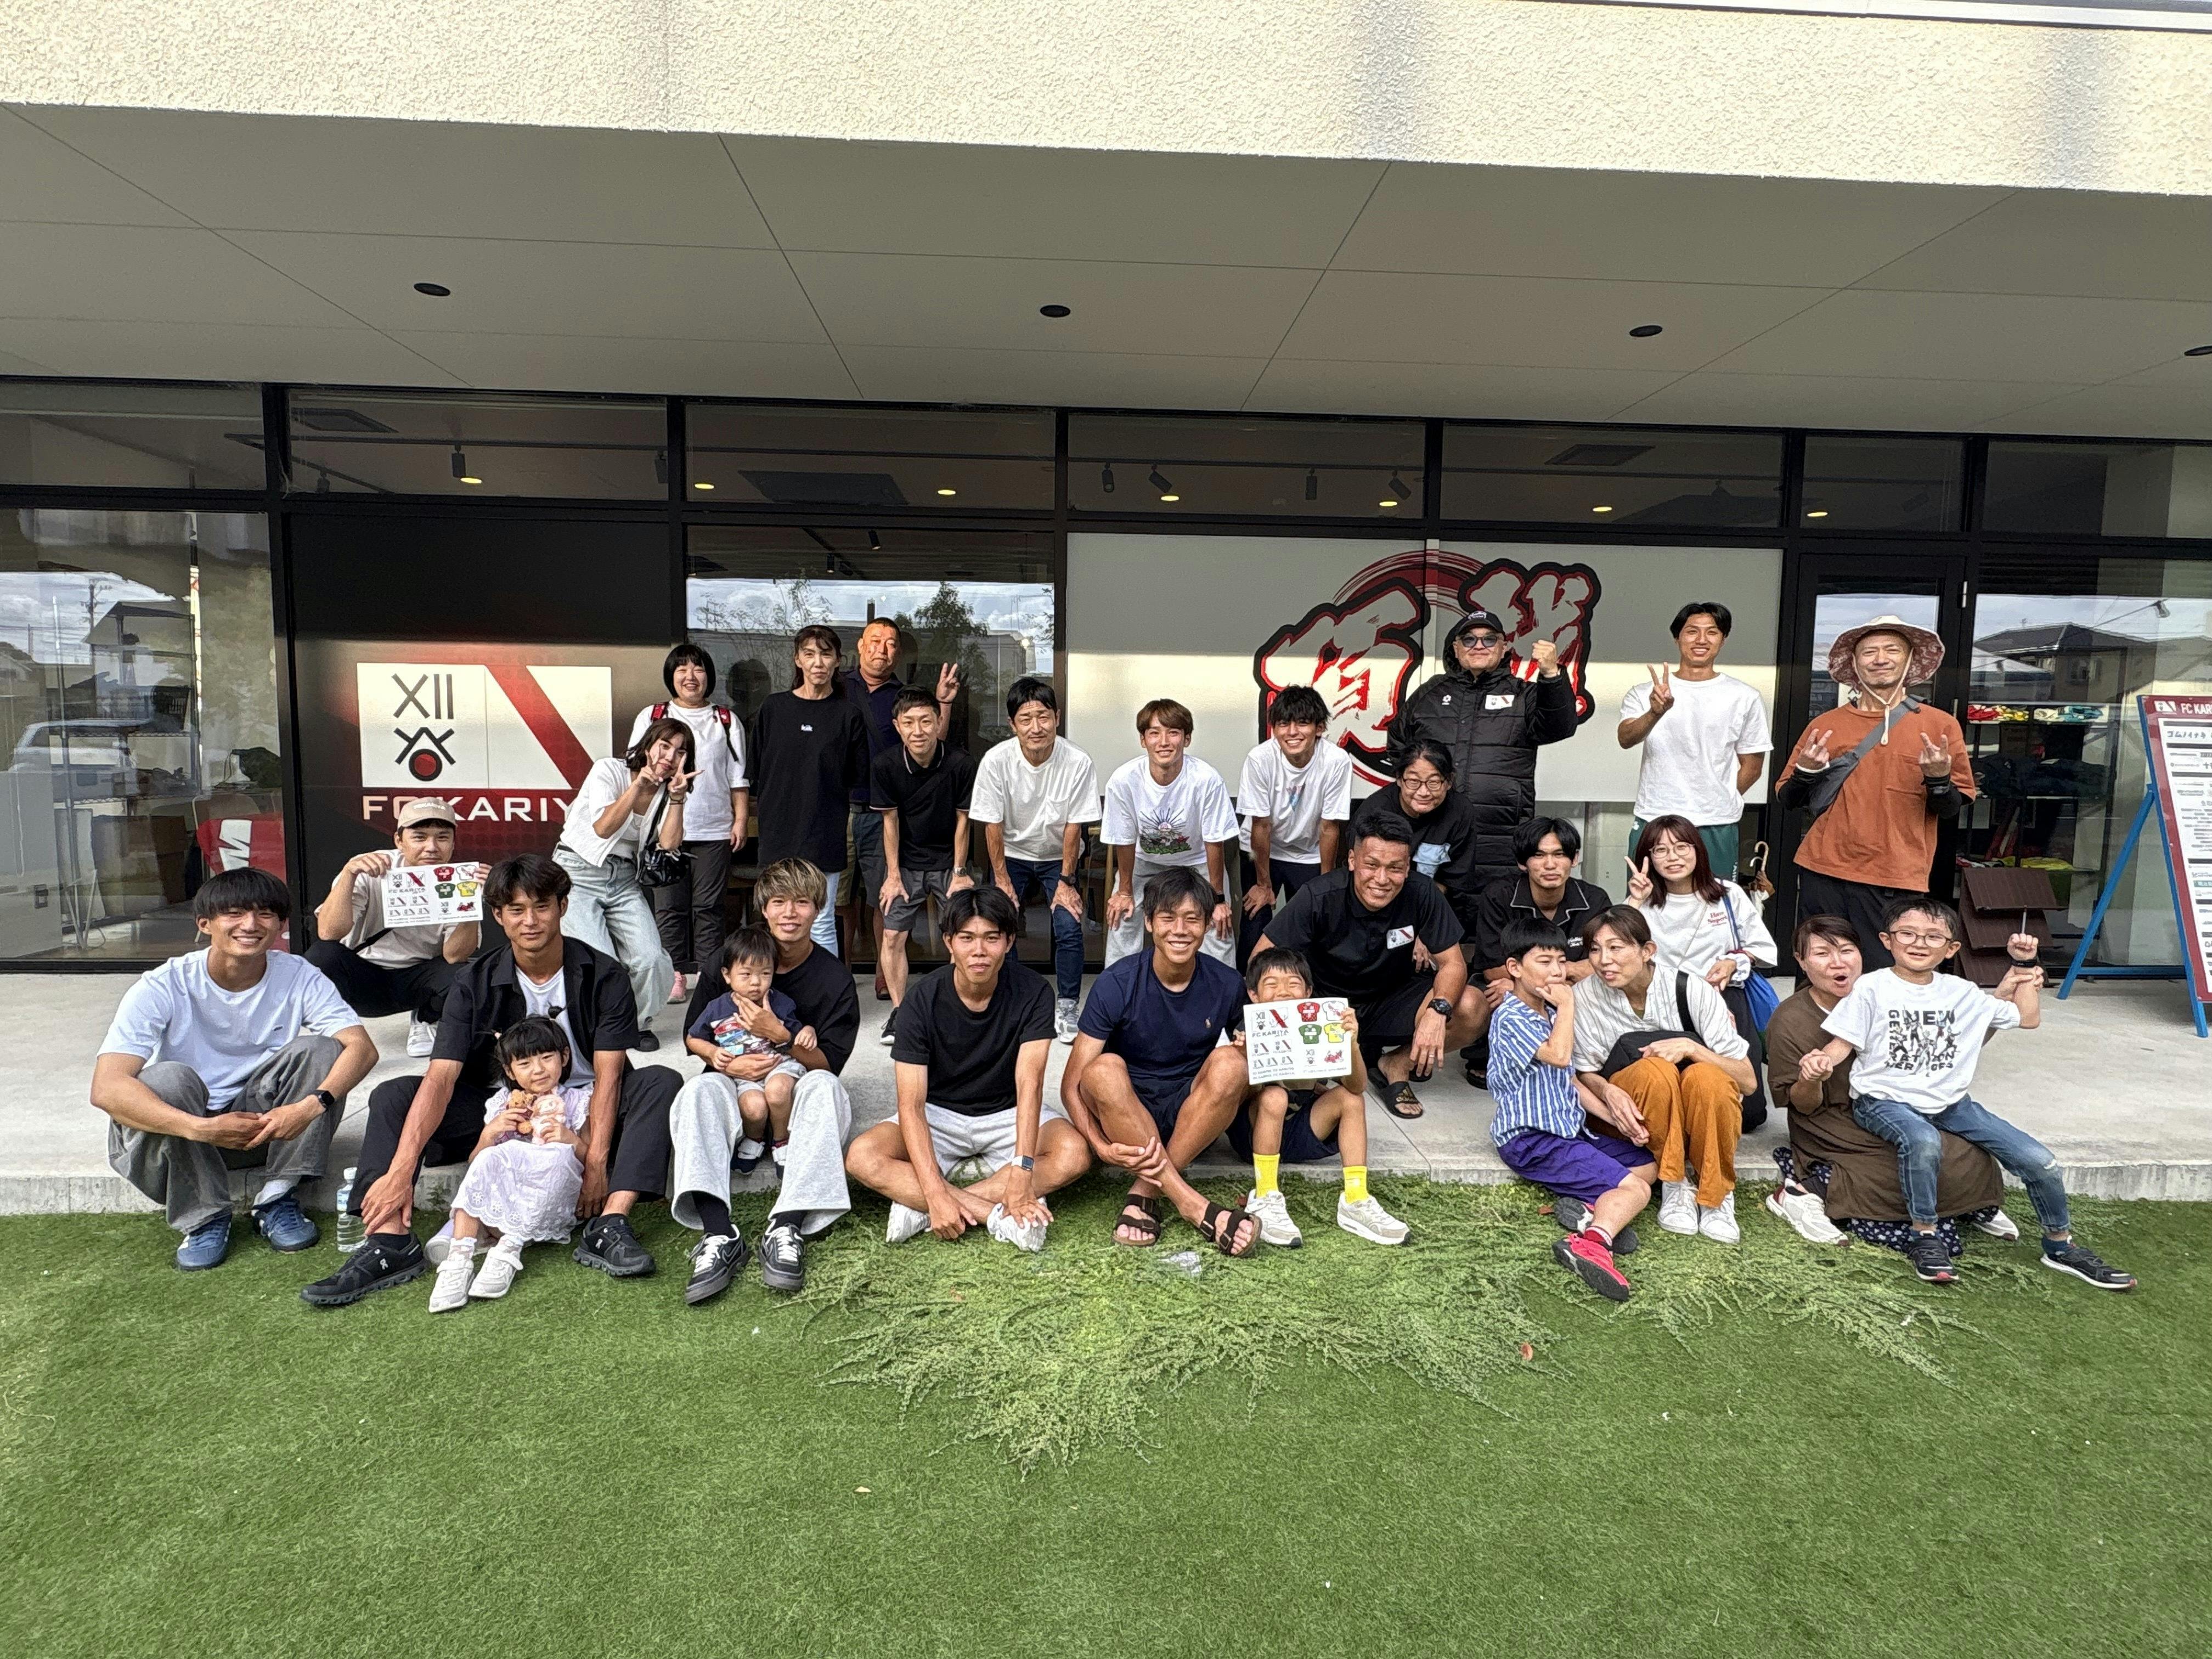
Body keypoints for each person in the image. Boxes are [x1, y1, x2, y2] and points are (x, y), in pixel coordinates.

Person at [302, 854, 685, 1307]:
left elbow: (610, 1073)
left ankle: (610, 1224)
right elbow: (441, 1077)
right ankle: (389, 1241)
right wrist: (402, 1171)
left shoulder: (603, 973)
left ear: (563, 907)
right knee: (394, 1094)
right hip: (502, 1112)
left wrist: (597, 1161)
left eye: (542, 906)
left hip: (587, 1108)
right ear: (499, 916)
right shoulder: (474, 982)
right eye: (516, 910)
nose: (530, 921)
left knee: (660, 1081)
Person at [1798, 898, 2134, 1290]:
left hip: (1952, 1104)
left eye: (1933, 937)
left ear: (1952, 948)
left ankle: (2060, 1245)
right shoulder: (1871, 988)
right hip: (1882, 1101)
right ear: (1887, 940)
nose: (1919, 943)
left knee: (2039, 1160)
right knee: (1922, 1140)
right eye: (1908, 934)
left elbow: (2027, 1018)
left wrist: (2025, 966)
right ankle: (1925, 1236)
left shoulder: (1962, 992)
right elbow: (1842, 1043)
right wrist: (1821, 1061)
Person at [91, 867, 377, 1271]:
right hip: (185, 1138)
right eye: (235, 913)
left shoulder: (298, 975)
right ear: (204, 924)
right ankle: (204, 1218)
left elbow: (362, 1049)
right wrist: (200, 1128)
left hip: (264, 1131)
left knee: (322, 1049)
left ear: (281, 925)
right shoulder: (163, 984)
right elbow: (106, 1088)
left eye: (265, 914)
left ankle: (278, 1196)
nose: (250, 925)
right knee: (166, 1079)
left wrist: (308, 1107)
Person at [847, 885, 1092, 1251]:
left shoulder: (1034, 992)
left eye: (992, 938)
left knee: (1074, 1153)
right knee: (862, 1156)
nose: (979, 951)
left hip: (1008, 1111)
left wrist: (1023, 1169)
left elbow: (1030, 1085)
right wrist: (934, 1192)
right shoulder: (921, 1000)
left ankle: (923, 1208)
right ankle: (992, 1215)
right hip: (938, 1114)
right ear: (949, 942)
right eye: (967, 938)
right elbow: (911, 1105)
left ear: (1009, 942)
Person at [668, 857, 864, 1302]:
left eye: (802, 902)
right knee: (696, 1091)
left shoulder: (834, 978)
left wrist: (781, 1035)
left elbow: (827, 1064)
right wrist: (727, 1063)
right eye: (779, 902)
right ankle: (719, 1233)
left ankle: (786, 1225)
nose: (789, 913)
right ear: (764, 908)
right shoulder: (731, 956)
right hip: (733, 1082)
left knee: (827, 1089)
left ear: (818, 909)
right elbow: (693, 1036)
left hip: (795, 1088)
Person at [1762, 915, 2007, 1255]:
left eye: (1846, 951)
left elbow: (1953, 1047)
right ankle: (1805, 1194)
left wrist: (1997, 1005)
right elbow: (1802, 1105)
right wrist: (1811, 1079)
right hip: (1832, 1118)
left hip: (1898, 1106)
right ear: (1802, 962)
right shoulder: (1790, 1019)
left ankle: (1968, 1206)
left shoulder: (1889, 995)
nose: (1837, 963)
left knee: (1966, 1150)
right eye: (1822, 954)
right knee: (1891, 1164)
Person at [1063, 867, 1260, 1255]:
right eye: (1168, 918)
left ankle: (1146, 1191)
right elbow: (1071, 1086)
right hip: (1125, 1113)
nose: (1180, 930)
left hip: (1190, 1114)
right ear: (1150, 922)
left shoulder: (1227, 983)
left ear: (1208, 925)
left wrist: (1250, 1046)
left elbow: (1259, 1063)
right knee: (1101, 1070)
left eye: (1192, 919)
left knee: (1234, 1063)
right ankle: (1193, 1205)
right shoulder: (1117, 982)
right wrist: (1099, 1145)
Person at [1254, 813, 1489, 1122]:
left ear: (1408, 867)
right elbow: (1261, 960)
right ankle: (1326, 1065)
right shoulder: (1319, 895)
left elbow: (1453, 964)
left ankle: (1396, 1064)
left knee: (1472, 1005)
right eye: (1372, 865)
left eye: (1395, 868)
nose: (1381, 879)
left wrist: (1438, 1011)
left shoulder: (1422, 893)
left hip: (1392, 1000)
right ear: (1352, 860)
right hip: (1328, 1005)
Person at [1776, 614, 1974, 969]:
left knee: (1885, 975)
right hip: (1824, 869)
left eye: (1892, 650)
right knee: (1821, 969)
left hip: (1896, 875)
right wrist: (1806, 773)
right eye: (1869, 652)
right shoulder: (1826, 725)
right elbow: (1789, 800)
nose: (1880, 659)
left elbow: (1950, 809)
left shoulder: (1939, 725)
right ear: (1854, 663)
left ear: (1910, 660)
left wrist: (1939, 780)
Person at [1485, 917, 1656, 1302]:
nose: (1557, 972)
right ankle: (1591, 1244)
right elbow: (1559, 1057)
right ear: (1514, 968)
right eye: (1544, 962)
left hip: (1569, 1133)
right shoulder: (1511, 1016)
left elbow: (1572, 1082)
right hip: (1533, 1141)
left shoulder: (1548, 1013)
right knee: (1637, 1190)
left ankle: (1589, 1211)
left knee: (1647, 1166)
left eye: (1562, 962)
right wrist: (1567, 1005)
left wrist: (1618, 1121)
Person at [1570, 906, 1755, 1244]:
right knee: (1655, 1070)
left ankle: (1715, 1195)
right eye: (1595, 950)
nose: (1604, 960)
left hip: (1692, 1112)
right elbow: (1585, 1072)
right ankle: (1675, 1183)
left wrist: (1691, 1048)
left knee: (1709, 1079)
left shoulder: (1692, 989)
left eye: (1616, 948)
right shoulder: (1584, 996)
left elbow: (1748, 1080)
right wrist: (1608, 1091)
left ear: (1648, 951)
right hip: (1634, 1114)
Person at [1384, 606, 1578, 896]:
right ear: (1456, 648)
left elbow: (1561, 727)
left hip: (1502, 836)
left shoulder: (1523, 694)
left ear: (1503, 647)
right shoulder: (1430, 693)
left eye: (1489, 639)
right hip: (1434, 832)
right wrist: (1417, 799)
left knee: (1497, 915)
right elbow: (1399, 746)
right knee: (1432, 913)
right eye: (1469, 639)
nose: (1479, 646)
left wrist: (1551, 674)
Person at [1228, 946, 1409, 1248]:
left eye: (1294, 984)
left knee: (1350, 1099)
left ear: (1309, 992)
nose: (1284, 992)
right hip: (1254, 1133)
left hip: (1299, 1130)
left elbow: (1357, 1086)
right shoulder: (1249, 1029)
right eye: (1271, 985)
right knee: (1274, 1096)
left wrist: (1351, 1043)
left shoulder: (1321, 1025)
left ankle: (1356, 1198)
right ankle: (1265, 1194)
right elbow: (1239, 1095)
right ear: (1254, 995)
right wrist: (1244, 1056)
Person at [424, 1017, 592, 1312]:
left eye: (547, 1058)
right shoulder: (502, 1103)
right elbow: (476, 1163)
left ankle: (506, 1252)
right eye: (525, 1063)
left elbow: (589, 1158)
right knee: (493, 1155)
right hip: (504, 1208)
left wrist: (570, 1139)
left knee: (557, 1154)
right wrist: (490, 1133)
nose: (538, 1069)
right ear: (509, 1071)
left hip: (545, 1207)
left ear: (564, 1057)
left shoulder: (579, 1100)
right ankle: (458, 1259)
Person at [971, 675, 1101, 1045]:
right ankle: (1012, 1002)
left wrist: (1067, 881)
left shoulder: (1077, 761)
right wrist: (1001, 881)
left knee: (1068, 924)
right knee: (1002, 922)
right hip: (1011, 854)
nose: (1036, 727)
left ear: (1057, 717)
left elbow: (1075, 826)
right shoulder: (997, 761)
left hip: (1058, 856)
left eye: (1044, 717)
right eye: (1026, 719)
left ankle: (1068, 1005)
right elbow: (992, 825)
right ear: (1012, 724)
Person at [1627, 812, 1777, 1126]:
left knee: (1750, 1115)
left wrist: (1734, 962)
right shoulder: (1643, 903)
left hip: (1724, 999)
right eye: (1661, 850)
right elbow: (1616, 951)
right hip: (1668, 1005)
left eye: (1682, 847)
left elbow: (1763, 949)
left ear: (1698, 850)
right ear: (1648, 858)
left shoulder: (1728, 894)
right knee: (1679, 1099)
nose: (1673, 857)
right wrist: (1635, 901)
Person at [307, 795, 481, 1059]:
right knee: (322, 956)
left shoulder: (459, 880)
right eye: (420, 837)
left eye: (442, 838)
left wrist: (470, 906)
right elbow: (329, 933)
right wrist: (349, 875)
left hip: (418, 980)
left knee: (468, 973)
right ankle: (334, 1028)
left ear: (453, 843)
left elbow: (455, 956)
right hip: (364, 976)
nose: (432, 847)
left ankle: (427, 1018)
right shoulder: (371, 868)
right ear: (399, 841)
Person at [554, 715, 692, 1043]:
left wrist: (677, 798)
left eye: (680, 751)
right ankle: (600, 1026)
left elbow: (669, 844)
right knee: (601, 960)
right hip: (577, 872)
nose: (670, 757)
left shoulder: (669, 790)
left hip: (624, 878)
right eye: (665, 746)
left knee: (651, 959)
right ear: (648, 745)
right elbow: (603, 828)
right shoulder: (608, 769)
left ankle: (636, 1024)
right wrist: (638, 786)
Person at [627, 641, 749, 1008]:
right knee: (669, 908)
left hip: (713, 828)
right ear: (671, 676)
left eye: (698, 669)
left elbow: (738, 777)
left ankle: (710, 977)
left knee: (709, 908)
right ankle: (675, 974)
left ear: (709, 676)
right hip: (663, 830)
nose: (690, 676)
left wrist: (740, 819)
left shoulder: (725, 720)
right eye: (682, 669)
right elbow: (636, 770)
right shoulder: (653, 715)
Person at [842, 617, 958, 993]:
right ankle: (839, 974)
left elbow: (932, 742)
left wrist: (943, 702)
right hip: (837, 809)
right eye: (875, 641)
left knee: (885, 897)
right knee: (838, 899)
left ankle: (882, 972)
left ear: (899, 653)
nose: (883, 649)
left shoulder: (903, 696)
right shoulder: (837, 687)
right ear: (861, 646)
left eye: (891, 643)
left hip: (885, 812)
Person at [1616, 601, 1771, 879]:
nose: (1701, 640)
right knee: (1646, 900)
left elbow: (1753, 766)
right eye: (1692, 632)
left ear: (1723, 639)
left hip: (1716, 823)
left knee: (1716, 901)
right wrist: (1654, 713)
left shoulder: (1745, 696)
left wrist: (1717, 796)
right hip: (1655, 817)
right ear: (1677, 638)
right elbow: (1625, 738)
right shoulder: (1644, 693)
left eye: (1712, 632)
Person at [1464, 815, 1613, 1085]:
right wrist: (1565, 974)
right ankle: (1492, 1056)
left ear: (1575, 859)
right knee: (1498, 990)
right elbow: (1493, 967)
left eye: (1560, 854)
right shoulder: (1499, 895)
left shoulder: (1595, 899)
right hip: (1519, 984)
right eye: (1539, 855)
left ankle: (1582, 1062)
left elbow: (1605, 962)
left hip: (1565, 989)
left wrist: (1550, 975)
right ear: (1523, 863)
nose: (1550, 865)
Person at [751, 624, 872, 957]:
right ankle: (778, 986)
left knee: (821, 921)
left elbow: (857, 777)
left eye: (826, 654)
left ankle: (825, 988)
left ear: (838, 660)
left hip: (825, 831)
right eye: (810, 654)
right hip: (778, 831)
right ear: (798, 660)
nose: (818, 662)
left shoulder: (848, 715)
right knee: (778, 919)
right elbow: (756, 772)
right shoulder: (773, 709)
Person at [872, 685, 978, 1046]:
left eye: (926, 721)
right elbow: (890, 821)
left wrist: (960, 873)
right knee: (892, 935)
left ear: (938, 722)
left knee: (961, 935)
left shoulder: (961, 763)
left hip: (950, 862)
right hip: (906, 863)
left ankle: (950, 1008)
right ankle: (900, 1012)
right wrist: (892, 876)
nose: (918, 731)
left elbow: (964, 820)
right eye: (909, 723)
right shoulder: (886, 765)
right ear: (897, 726)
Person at [1100, 698, 1238, 968]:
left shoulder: (1206, 779)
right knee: (1122, 916)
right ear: (1143, 740)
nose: (1164, 742)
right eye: (1154, 733)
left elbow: (1215, 841)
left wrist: (1218, 899)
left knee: (1217, 922)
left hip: (1198, 862)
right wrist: (1125, 892)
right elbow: (1124, 841)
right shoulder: (1124, 780)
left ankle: (1222, 988)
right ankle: (1118, 986)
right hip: (1144, 861)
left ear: (1186, 739)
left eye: (1173, 733)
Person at [1236, 684, 1353, 966]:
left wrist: (1327, 885)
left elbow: (1329, 828)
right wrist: (1264, 884)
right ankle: (1246, 987)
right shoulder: (1260, 759)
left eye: (1302, 723)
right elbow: (1261, 827)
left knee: (1316, 926)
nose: (1292, 732)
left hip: (1310, 852)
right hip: (1264, 849)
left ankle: (1308, 986)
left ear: (1319, 728)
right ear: (1274, 729)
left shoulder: (1336, 761)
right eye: (1283, 724)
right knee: (1255, 922)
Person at [681, 927, 811, 1181]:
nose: (756, 982)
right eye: (746, 974)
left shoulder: (779, 1003)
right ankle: (755, 1138)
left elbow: (796, 1031)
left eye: (765, 974)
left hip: (779, 1065)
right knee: (754, 1108)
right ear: (727, 975)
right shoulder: (717, 1008)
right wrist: (712, 1052)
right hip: (743, 1077)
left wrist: (808, 1031)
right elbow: (693, 1038)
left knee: (777, 1090)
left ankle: (782, 1140)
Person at [1347, 738, 1483, 924]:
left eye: (1434, 782)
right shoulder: (1375, 811)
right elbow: (1361, 875)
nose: (1423, 792)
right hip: (1378, 905)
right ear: (1399, 779)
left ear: (1449, 782)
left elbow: (1454, 881)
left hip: (1434, 907)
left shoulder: (1460, 811)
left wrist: (1424, 924)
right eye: (1413, 782)